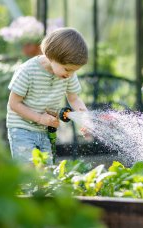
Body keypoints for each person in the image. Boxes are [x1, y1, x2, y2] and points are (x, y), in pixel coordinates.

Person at [6, 28, 89, 164]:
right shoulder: (27, 71)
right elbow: (14, 103)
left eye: (74, 71)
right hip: (22, 129)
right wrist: (39, 118)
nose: (70, 74)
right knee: (29, 171)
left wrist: (84, 117)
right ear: (51, 56)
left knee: (46, 173)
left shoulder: (68, 75)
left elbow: (74, 98)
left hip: (45, 129)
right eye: (67, 69)